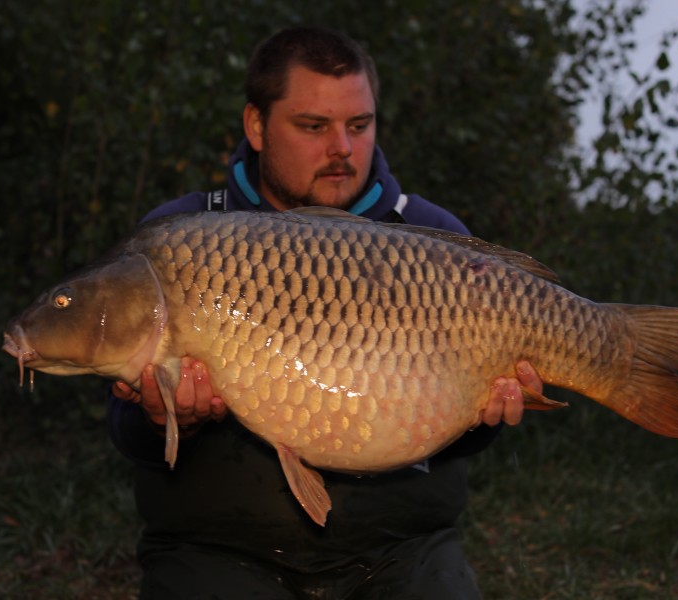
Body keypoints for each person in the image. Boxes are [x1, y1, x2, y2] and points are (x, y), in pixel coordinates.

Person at [108, 26, 541, 599]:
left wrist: (478, 420)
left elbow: (462, 443)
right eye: (314, 127)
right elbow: (123, 430)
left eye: (358, 126)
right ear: (256, 126)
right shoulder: (181, 240)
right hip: (217, 549)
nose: (342, 147)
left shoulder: (433, 239)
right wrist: (164, 419)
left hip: (400, 550)